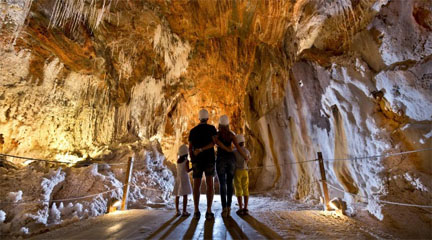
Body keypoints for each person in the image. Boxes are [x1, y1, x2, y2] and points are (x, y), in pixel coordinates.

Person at [216, 115, 249, 217]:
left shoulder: (216, 135)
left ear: (220, 124)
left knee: (222, 184)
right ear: (228, 124)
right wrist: (245, 156)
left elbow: (215, 142)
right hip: (230, 160)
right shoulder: (232, 135)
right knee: (230, 183)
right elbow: (238, 147)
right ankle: (229, 207)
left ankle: (224, 208)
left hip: (221, 160)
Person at [188, 109, 218, 220]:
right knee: (210, 185)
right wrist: (202, 149)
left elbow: (190, 148)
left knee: (196, 185)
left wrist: (193, 159)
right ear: (207, 118)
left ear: (199, 118)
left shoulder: (193, 131)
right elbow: (214, 143)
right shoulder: (211, 129)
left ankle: (196, 211)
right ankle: (209, 211)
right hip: (209, 159)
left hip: (197, 160)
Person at [233, 134, 251, 215]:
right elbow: (248, 160)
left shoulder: (234, 152)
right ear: (243, 142)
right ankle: (246, 208)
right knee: (245, 189)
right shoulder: (247, 151)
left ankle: (240, 208)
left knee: (238, 190)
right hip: (245, 171)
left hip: (237, 172)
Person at [173, 144, 192, 217]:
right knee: (185, 195)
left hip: (178, 178)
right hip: (184, 179)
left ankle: (177, 210)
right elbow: (187, 170)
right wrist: (193, 168)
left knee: (177, 195)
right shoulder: (186, 161)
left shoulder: (178, 161)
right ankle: (184, 211)